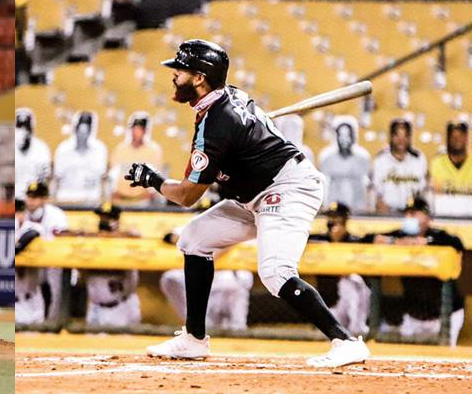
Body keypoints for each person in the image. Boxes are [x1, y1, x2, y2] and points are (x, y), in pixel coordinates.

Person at [126, 39, 369, 367]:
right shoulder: (229, 97)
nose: (175, 75)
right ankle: (194, 339)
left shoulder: (217, 125)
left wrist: (153, 180)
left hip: (288, 188)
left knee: (275, 272)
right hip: (253, 194)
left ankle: (345, 341)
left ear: (200, 78)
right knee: (194, 239)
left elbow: (186, 196)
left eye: (181, 70)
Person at [362, 198, 465, 346]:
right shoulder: (400, 235)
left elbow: (457, 243)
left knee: (444, 355)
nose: (409, 218)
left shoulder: (438, 236)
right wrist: (395, 242)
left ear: (427, 217)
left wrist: (425, 243)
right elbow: (368, 239)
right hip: (414, 316)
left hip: (446, 315)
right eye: (407, 214)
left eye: (413, 214)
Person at [160, 227, 253, 332]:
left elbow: (234, 240)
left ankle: (236, 329)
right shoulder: (197, 223)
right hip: (199, 279)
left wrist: (210, 252)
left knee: (234, 327)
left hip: (227, 277)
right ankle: (195, 325)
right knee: (170, 277)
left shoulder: (239, 224)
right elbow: (171, 238)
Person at [307, 202, 371, 336]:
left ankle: (357, 329)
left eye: (337, 218)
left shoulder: (354, 241)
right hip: (329, 305)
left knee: (350, 281)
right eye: (331, 217)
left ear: (345, 220)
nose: (333, 222)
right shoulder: (318, 240)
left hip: (352, 302)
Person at [15, 181, 68, 324]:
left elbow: (58, 241)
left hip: (51, 261)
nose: (30, 201)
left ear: (44, 199)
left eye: (35, 197)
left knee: (54, 285)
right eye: (29, 196)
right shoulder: (21, 216)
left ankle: (53, 322)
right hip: (30, 262)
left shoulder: (56, 215)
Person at [83, 202, 141, 328]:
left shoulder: (127, 241)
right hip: (94, 306)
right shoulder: (93, 242)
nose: (104, 222)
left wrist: (116, 235)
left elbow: (136, 236)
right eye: (102, 218)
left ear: (117, 221)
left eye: (108, 218)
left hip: (119, 306)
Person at [372, 118, 428, 213]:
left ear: (410, 137)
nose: (401, 140)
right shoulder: (381, 160)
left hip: (413, 212)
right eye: (397, 135)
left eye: (405, 136)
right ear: (391, 137)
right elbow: (376, 192)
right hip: (387, 213)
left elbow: (423, 190)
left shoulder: (419, 159)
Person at [317, 116, 371, 213]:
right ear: (336, 136)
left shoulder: (363, 158)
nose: (344, 140)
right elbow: (322, 186)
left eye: (348, 136)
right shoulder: (326, 158)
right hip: (333, 211)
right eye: (341, 135)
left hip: (358, 210)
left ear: (353, 136)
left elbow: (368, 187)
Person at [52, 111, 108, 204]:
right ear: (75, 130)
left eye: (85, 133)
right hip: (66, 198)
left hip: (92, 198)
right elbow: (56, 178)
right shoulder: (63, 150)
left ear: (90, 132)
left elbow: (103, 179)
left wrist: (105, 200)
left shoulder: (99, 150)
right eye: (80, 132)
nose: (82, 136)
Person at [109, 112, 164, 206]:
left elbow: (157, 175)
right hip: (120, 199)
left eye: (140, 129)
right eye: (134, 129)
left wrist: (151, 192)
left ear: (145, 131)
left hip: (142, 200)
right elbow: (112, 172)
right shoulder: (121, 149)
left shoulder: (153, 150)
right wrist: (112, 191)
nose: (136, 132)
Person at [14, 199, 46, 324]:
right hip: (16, 302)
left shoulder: (34, 227)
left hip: (31, 300)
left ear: (23, 213)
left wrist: (18, 245)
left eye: (18, 212)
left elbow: (31, 234)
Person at [14, 107, 51, 199]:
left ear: (32, 128)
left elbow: (45, 178)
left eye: (26, 128)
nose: (23, 131)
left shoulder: (41, 148)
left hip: (33, 197)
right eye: (20, 127)